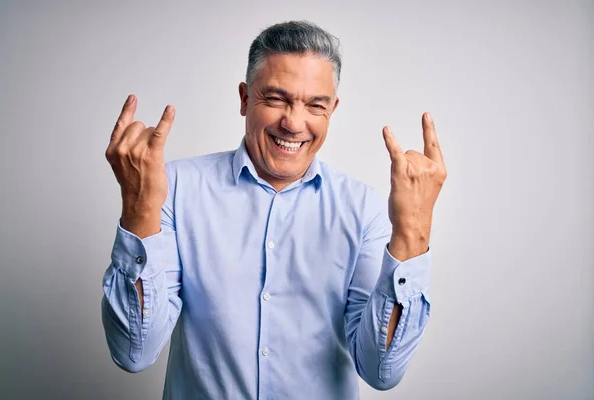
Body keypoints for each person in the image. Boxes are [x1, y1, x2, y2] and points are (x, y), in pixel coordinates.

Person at [101, 20, 447, 400]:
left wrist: (413, 232)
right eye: (276, 99)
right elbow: (134, 351)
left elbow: (382, 371)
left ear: (332, 109)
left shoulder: (362, 209)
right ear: (245, 98)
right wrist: (138, 206)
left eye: (315, 105)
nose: (294, 123)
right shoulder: (174, 189)